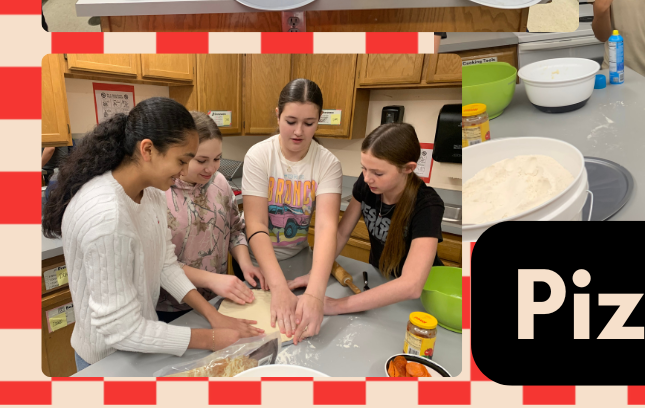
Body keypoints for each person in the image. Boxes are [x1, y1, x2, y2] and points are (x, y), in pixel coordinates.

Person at [41, 98, 263, 372]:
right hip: (106, 360)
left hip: (142, 346)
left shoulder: (153, 193)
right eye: (182, 160)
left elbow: (164, 264)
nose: (184, 172)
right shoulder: (106, 216)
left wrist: (212, 315)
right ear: (147, 149)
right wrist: (211, 338)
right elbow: (121, 330)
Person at [286, 124, 444, 315]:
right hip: (380, 280)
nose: (367, 178)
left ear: (408, 168)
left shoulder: (427, 205)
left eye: (378, 173)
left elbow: (411, 284)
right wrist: (315, 275)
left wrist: (339, 305)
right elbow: (341, 233)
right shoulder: (367, 185)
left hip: (421, 299)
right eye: (364, 169)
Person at [241, 79, 342, 345]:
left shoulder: (328, 163)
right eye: (291, 121)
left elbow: (325, 228)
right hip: (257, 266)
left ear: (319, 120)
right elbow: (256, 222)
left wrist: (315, 294)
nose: (299, 131)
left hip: (301, 261)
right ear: (277, 115)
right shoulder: (259, 156)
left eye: (309, 123)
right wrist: (276, 285)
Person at [156, 113, 267, 324]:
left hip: (218, 299)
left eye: (217, 159)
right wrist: (214, 280)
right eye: (201, 160)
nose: (211, 168)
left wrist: (246, 265)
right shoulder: (158, 192)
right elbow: (160, 263)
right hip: (171, 308)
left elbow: (234, 229)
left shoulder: (220, 183)